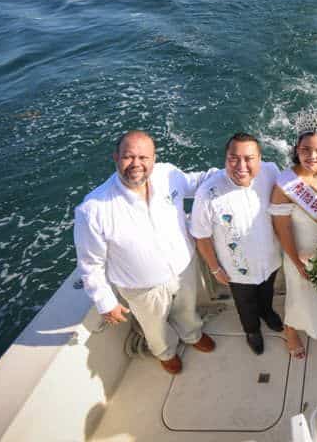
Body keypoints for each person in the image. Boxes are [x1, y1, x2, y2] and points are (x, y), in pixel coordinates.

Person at [73, 130, 216, 375]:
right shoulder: (92, 208)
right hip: (141, 288)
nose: (136, 164)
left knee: (187, 308)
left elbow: (198, 182)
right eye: (129, 157)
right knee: (155, 328)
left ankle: (192, 334)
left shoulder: (168, 174)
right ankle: (165, 353)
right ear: (115, 157)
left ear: (154, 158)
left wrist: (233, 171)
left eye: (144, 157)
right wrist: (105, 302)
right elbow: (90, 264)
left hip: (183, 268)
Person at [190, 133, 283, 355]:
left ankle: (268, 313)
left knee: (267, 291)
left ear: (260, 159)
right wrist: (214, 268)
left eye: (249, 158)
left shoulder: (271, 172)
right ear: (225, 159)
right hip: (237, 269)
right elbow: (201, 236)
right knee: (245, 304)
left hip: (270, 258)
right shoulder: (207, 193)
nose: (241, 166)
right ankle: (252, 331)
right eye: (234, 158)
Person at [269, 107, 317, 359]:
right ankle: (290, 330)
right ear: (297, 150)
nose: (312, 156)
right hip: (300, 252)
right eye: (305, 150)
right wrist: (295, 262)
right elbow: (282, 230)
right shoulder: (285, 184)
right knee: (299, 295)